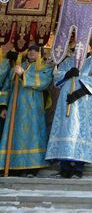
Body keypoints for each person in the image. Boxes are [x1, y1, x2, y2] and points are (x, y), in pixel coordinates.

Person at [45, 42, 92, 179]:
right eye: (76, 47)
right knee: (66, 129)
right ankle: (64, 166)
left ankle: (79, 167)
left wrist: (78, 93)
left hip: (84, 104)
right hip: (66, 101)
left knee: (80, 131)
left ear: (90, 48)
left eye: (83, 47)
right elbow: (57, 77)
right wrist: (67, 74)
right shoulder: (68, 61)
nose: (79, 49)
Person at [0, 45, 53, 176]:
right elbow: (7, 87)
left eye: (35, 51)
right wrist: (3, 106)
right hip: (15, 108)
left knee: (32, 135)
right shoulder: (18, 66)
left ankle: (32, 168)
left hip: (33, 108)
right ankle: (13, 165)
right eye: (30, 50)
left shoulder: (45, 67)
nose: (32, 52)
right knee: (15, 135)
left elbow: (44, 82)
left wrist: (23, 75)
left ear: (41, 54)